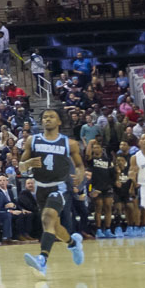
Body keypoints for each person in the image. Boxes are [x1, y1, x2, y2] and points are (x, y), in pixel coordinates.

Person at [21, 108, 87, 277]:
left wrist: (79, 175)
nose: (47, 119)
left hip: (59, 187)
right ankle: (72, 243)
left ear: (59, 122)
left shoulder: (69, 143)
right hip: (40, 187)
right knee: (54, 226)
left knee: (47, 218)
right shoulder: (32, 140)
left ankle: (42, 259)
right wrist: (28, 163)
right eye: (44, 117)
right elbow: (21, 165)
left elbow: (79, 165)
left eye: (51, 117)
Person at [134, 133, 145, 236]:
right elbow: (132, 172)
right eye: (143, 138)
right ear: (139, 141)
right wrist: (132, 175)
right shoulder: (135, 157)